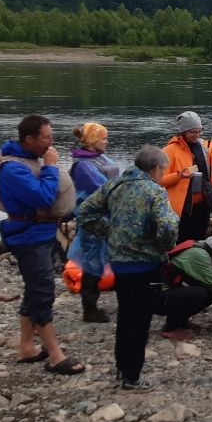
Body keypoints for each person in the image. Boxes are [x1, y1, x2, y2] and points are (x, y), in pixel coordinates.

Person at [76, 145, 179, 391]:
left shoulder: (115, 185)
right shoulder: (155, 191)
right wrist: (163, 246)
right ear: (156, 169)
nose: (163, 174)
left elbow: (85, 212)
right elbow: (167, 227)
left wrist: (109, 232)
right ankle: (132, 377)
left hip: (120, 266)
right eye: (163, 170)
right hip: (147, 266)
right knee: (140, 320)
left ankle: (122, 367)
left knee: (125, 315)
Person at [0, 114, 83, 374]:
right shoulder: (12, 168)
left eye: (51, 136)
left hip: (41, 234)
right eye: (46, 137)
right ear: (29, 139)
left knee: (35, 290)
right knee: (43, 291)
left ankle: (27, 347)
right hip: (28, 237)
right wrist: (51, 166)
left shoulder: (29, 160)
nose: (51, 141)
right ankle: (55, 355)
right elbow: (43, 198)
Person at [67, 122, 121, 322]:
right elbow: (104, 188)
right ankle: (89, 308)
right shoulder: (82, 166)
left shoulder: (97, 158)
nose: (107, 141)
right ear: (92, 141)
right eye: (104, 138)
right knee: (92, 262)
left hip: (107, 216)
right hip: (94, 221)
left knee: (109, 257)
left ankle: (116, 297)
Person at [156, 231, 212, 340]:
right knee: (199, 293)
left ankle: (181, 321)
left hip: (174, 292)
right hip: (159, 297)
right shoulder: (199, 254)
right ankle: (171, 327)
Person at [161, 111, 212, 243]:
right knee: (181, 242)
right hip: (180, 210)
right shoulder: (169, 151)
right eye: (192, 132)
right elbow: (159, 181)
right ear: (183, 132)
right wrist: (180, 175)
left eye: (199, 131)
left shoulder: (206, 148)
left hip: (203, 205)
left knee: (198, 240)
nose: (196, 135)